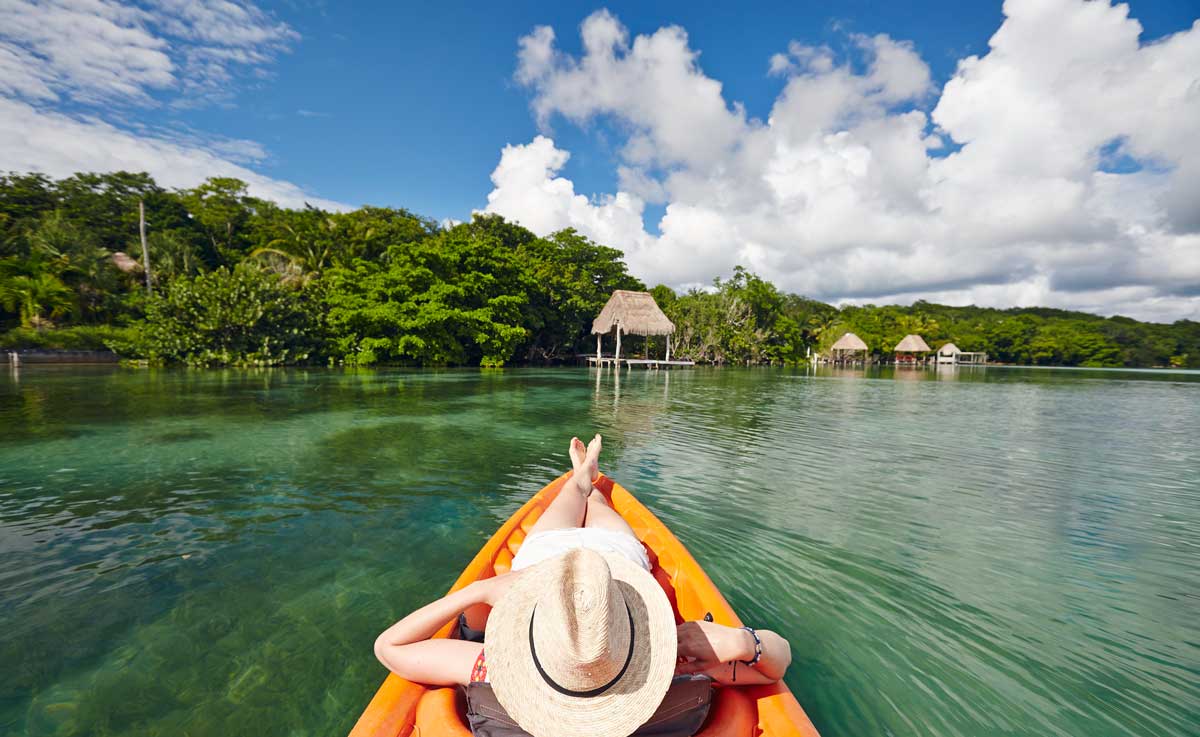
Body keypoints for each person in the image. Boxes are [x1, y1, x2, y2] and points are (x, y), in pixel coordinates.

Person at [373, 435, 792, 737]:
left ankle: (581, 476)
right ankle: (589, 482)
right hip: (613, 566)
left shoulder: (489, 669)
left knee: (574, 497)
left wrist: (477, 592)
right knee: (598, 503)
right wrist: (741, 642)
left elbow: (389, 648)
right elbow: (778, 659)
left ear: (535, 642)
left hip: (547, 564)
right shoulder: (673, 670)